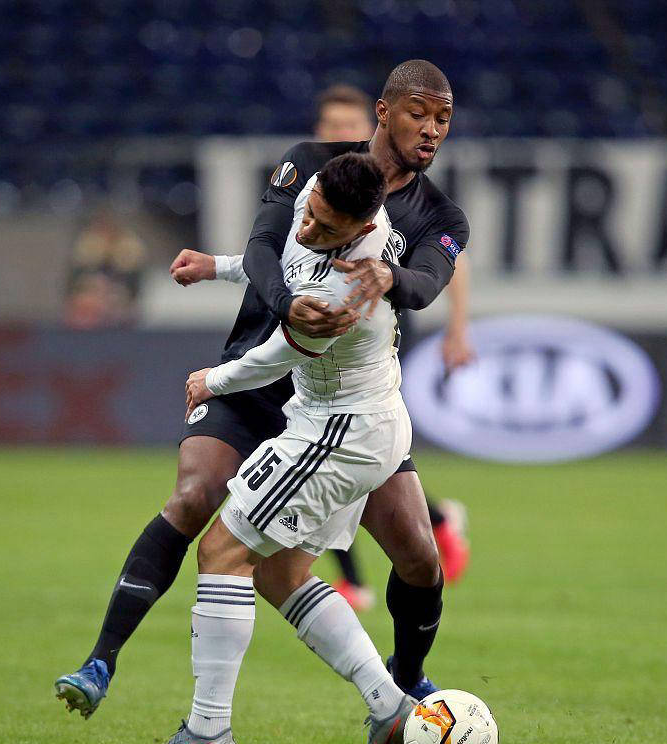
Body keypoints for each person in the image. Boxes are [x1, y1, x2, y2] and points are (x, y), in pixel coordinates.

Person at [55, 59, 467, 719]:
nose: (432, 129)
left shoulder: (438, 216)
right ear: (383, 113)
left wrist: (389, 281)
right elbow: (263, 247)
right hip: (259, 374)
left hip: (332, 399)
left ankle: (404, 685)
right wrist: (275, 299)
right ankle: (101, 661)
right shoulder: (310, 166)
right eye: (419, 113)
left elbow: (425, 284)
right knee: (194, 498)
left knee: (418, 554)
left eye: (443, 118)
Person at [167, 152, 414, 744]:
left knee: (222, 550)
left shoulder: (348, 287)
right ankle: (391, 708)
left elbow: (277, 356)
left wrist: (212, 380)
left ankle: (207, 731)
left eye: (326, 228)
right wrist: (218, 267)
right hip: (356, 423)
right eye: (310, 213)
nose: (307, 229)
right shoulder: (319, 198)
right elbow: (285, 260)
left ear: (363, 229)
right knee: (280, 573)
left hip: (340, 433)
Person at [310, 84, 474, 610]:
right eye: (331, 126)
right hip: (320, 328)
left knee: (349, 447)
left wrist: (458, 329)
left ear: (372, 124)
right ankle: (428, 525)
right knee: (332, 452)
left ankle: (367, 570)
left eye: (348, 125)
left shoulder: (412, 196)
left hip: (377, 334)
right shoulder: (317, 180)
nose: (339, 134)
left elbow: (450, 263)